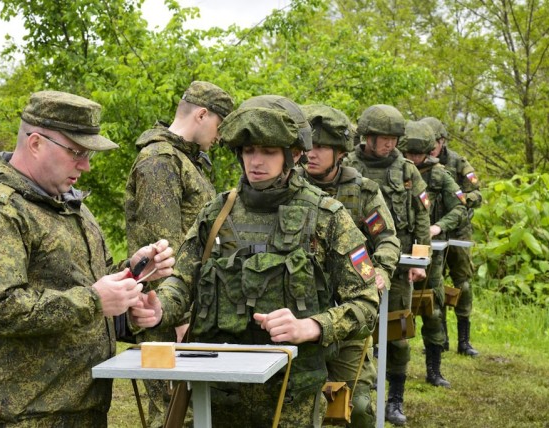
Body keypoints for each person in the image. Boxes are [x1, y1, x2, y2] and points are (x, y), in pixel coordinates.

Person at [130, 96, 379, 427]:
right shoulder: (216, 214)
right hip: (216, 393)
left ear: (292, 154)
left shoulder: (326, 218)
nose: (256, 161)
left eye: (268, 151)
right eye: (249, 151)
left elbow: (365, 303)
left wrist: (312, 326)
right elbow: (183, 281)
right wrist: (159, 308)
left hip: (290, 400)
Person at [0, 90, 175, 427]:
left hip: (83, 408)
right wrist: (95, 300)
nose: (85, 166)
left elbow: (87, 291)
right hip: (24, 416)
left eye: (87, 154)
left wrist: (133, 278)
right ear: (35, 143)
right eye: (76, 152)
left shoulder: (73, 208)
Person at [124, 80, 233, 427]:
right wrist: (178, 314)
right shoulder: (159, 160)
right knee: (172, 416)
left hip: (188, 305)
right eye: (219, 125)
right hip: (165, 314)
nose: (219, 136)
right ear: (202, 115)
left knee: (194, 410)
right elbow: (161, 248)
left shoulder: (189, 161)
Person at [299, 103, 401, 428]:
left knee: (354, 407)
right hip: (298, 315)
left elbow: (386, 238)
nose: (311, 153)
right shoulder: (286, 190)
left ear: (340, 151)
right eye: (307, 145)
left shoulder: (362, 192)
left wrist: (381, 272)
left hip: (348, 314)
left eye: (322, 146)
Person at [344, 104, 430, 426]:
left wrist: (420, 260)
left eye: (394, 138)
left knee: (398, 333)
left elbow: (421, 217)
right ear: (367, 136)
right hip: (354, 264)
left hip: (396, 264)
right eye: (383, 138)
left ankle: (395, 399)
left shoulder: (408, 171)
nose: (389, 145)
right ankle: (351, 396)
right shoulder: (348, 165)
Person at [398, 120, 467, 388]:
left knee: (433, 310)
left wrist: (439, 226)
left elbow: (460, 207)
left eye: (418, 155)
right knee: (392, 312)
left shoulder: (439, 175)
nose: (413, 160)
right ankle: (390, 371)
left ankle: (434, 369)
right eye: (409, 154)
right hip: (397, 252)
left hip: (432, 255)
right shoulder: (395, 171)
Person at [421, 116, 483, 357]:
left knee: (463, 283)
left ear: (442, 141)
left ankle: (464, 340)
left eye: (434, 143)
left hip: (457, 231)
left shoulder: (458, 162)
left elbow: (476, 193)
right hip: (433, 232)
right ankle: (441, 338)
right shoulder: (420, 165)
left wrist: (459, 201)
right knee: (436, 285)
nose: (430, 148)